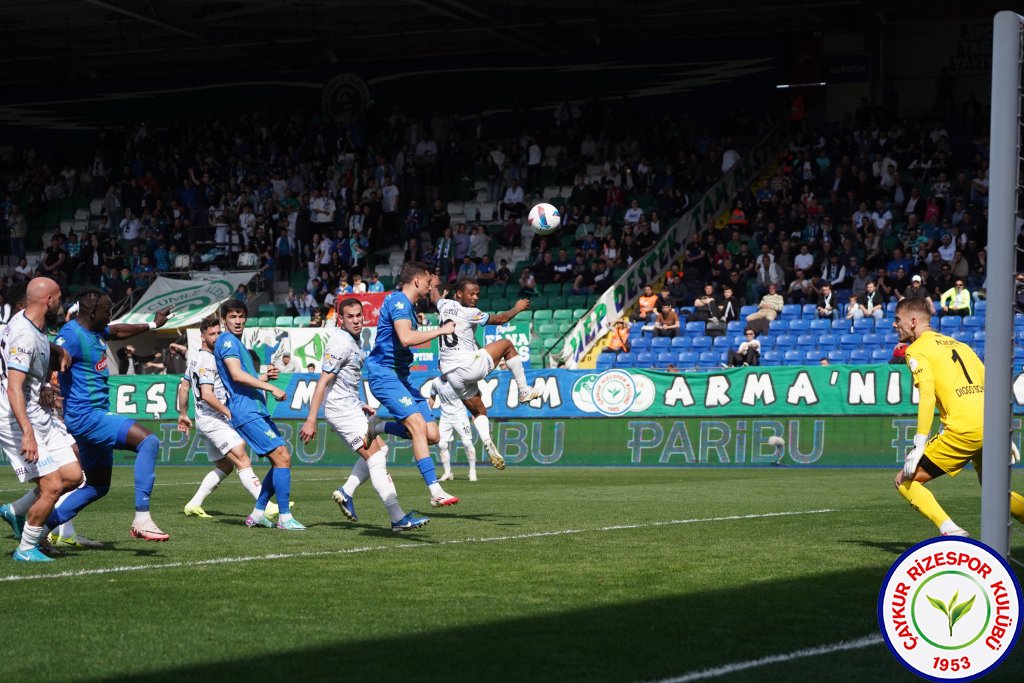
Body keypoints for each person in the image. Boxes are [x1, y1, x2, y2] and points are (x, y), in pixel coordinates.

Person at [47, 288, 173, 542]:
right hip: (88, 416)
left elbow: (117, 330)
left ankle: (36, 528)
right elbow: (47, 353)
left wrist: (152, 324)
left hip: (91, 416)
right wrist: (44, 386)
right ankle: (142, 518)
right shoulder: (71, 334)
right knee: (148, 442)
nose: (111, 315)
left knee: (97, 486)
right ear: (92, 311)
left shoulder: (97, 331)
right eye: (108, 310)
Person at [893, 296, 1024, 537]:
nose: (894, 325)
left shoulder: (917, 350)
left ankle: (951, 532)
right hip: (991, 426)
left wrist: (919, 443)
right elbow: (994, 388)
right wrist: (1004, 429)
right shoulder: (962, 346)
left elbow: (927, 395)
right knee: (996, 494)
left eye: (897, 319)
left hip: (963, 429)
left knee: (905, 481)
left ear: (912, 321)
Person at [299, 299, 427, 532]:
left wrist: (360, 404)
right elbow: (323, 383)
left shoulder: (354, 341)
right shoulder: (340, 342)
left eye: (359, 315)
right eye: (350, 316)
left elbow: (343, 382)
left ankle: (346, 492)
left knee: (382, 450)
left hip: (350, 406)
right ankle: (397, 517)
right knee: (375, 457)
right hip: (340, 410)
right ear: (341, 319)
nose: (356, 320)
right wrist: (310, 420)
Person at [365, 261, 460, 508]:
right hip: (384, 375)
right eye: (429, 282)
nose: (431, 287)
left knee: (432, 434)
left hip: (401, 379)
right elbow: (406, 338)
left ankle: (379, 426)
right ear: (417, 280)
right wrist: (440, 331)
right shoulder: (398, 301)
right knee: (417, 425)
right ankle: (435, 490)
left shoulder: (409, 307)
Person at [0, 278, 82, 561]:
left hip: (38, 412)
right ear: (48, 300)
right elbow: (13, 387)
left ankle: (15, 511)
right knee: (52, 486)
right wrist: (27, 433)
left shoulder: (30, 322)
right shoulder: (23, 334)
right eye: (59, 297)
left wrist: (56, 350)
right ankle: (26, 548)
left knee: (72, 476)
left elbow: (37, 342)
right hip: (17, 418)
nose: (62, 301)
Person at [214, 299, 305, 530]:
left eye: (241, 316)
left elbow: (242, 378)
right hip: (246, 410)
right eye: (232, 317)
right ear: (224, 320)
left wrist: (264, 378)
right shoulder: (226, 341)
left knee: (280, 460)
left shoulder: (237, 342)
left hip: (254, 407)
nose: (238, 321)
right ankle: (284, 518)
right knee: (282, 457)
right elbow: (236, 375)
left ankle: (257, 514)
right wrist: (271, 388)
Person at [435, 278, 543, 469]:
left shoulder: (443, 306)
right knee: (508, 345)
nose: (475, 297)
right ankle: (524, 390)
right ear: (459, 294)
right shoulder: (470, 312)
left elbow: (435, 296)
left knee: (478, 411)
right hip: (467, 366)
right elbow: (501, 319)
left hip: (451, 375)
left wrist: (434, 285)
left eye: (478, 294)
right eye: (472, 293)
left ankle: (487, 441)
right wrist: (517, 307)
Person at [175, 315, 274, 519]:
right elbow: (208, 395)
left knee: (225, 465)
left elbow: (184, 386)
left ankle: (194, 504)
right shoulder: (207, 360)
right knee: (241, 457)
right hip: (214, 420)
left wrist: (183, 414)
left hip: (207, 419)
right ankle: (266, 505)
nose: (217, 337)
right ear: (203, 337)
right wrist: (229, 412)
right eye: (212, 334)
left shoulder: (197, 358)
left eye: (219, 333)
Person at [423, 376, 479, 482]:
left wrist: (475, 412)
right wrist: (427, 412)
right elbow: (432, 396)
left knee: (467, 443)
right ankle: (448, 472)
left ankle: (472, 472)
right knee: (442, 444)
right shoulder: (436, 382)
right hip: (445, 417)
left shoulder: (458, 380)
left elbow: (472, 395)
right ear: (440, 367)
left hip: (460, 416)